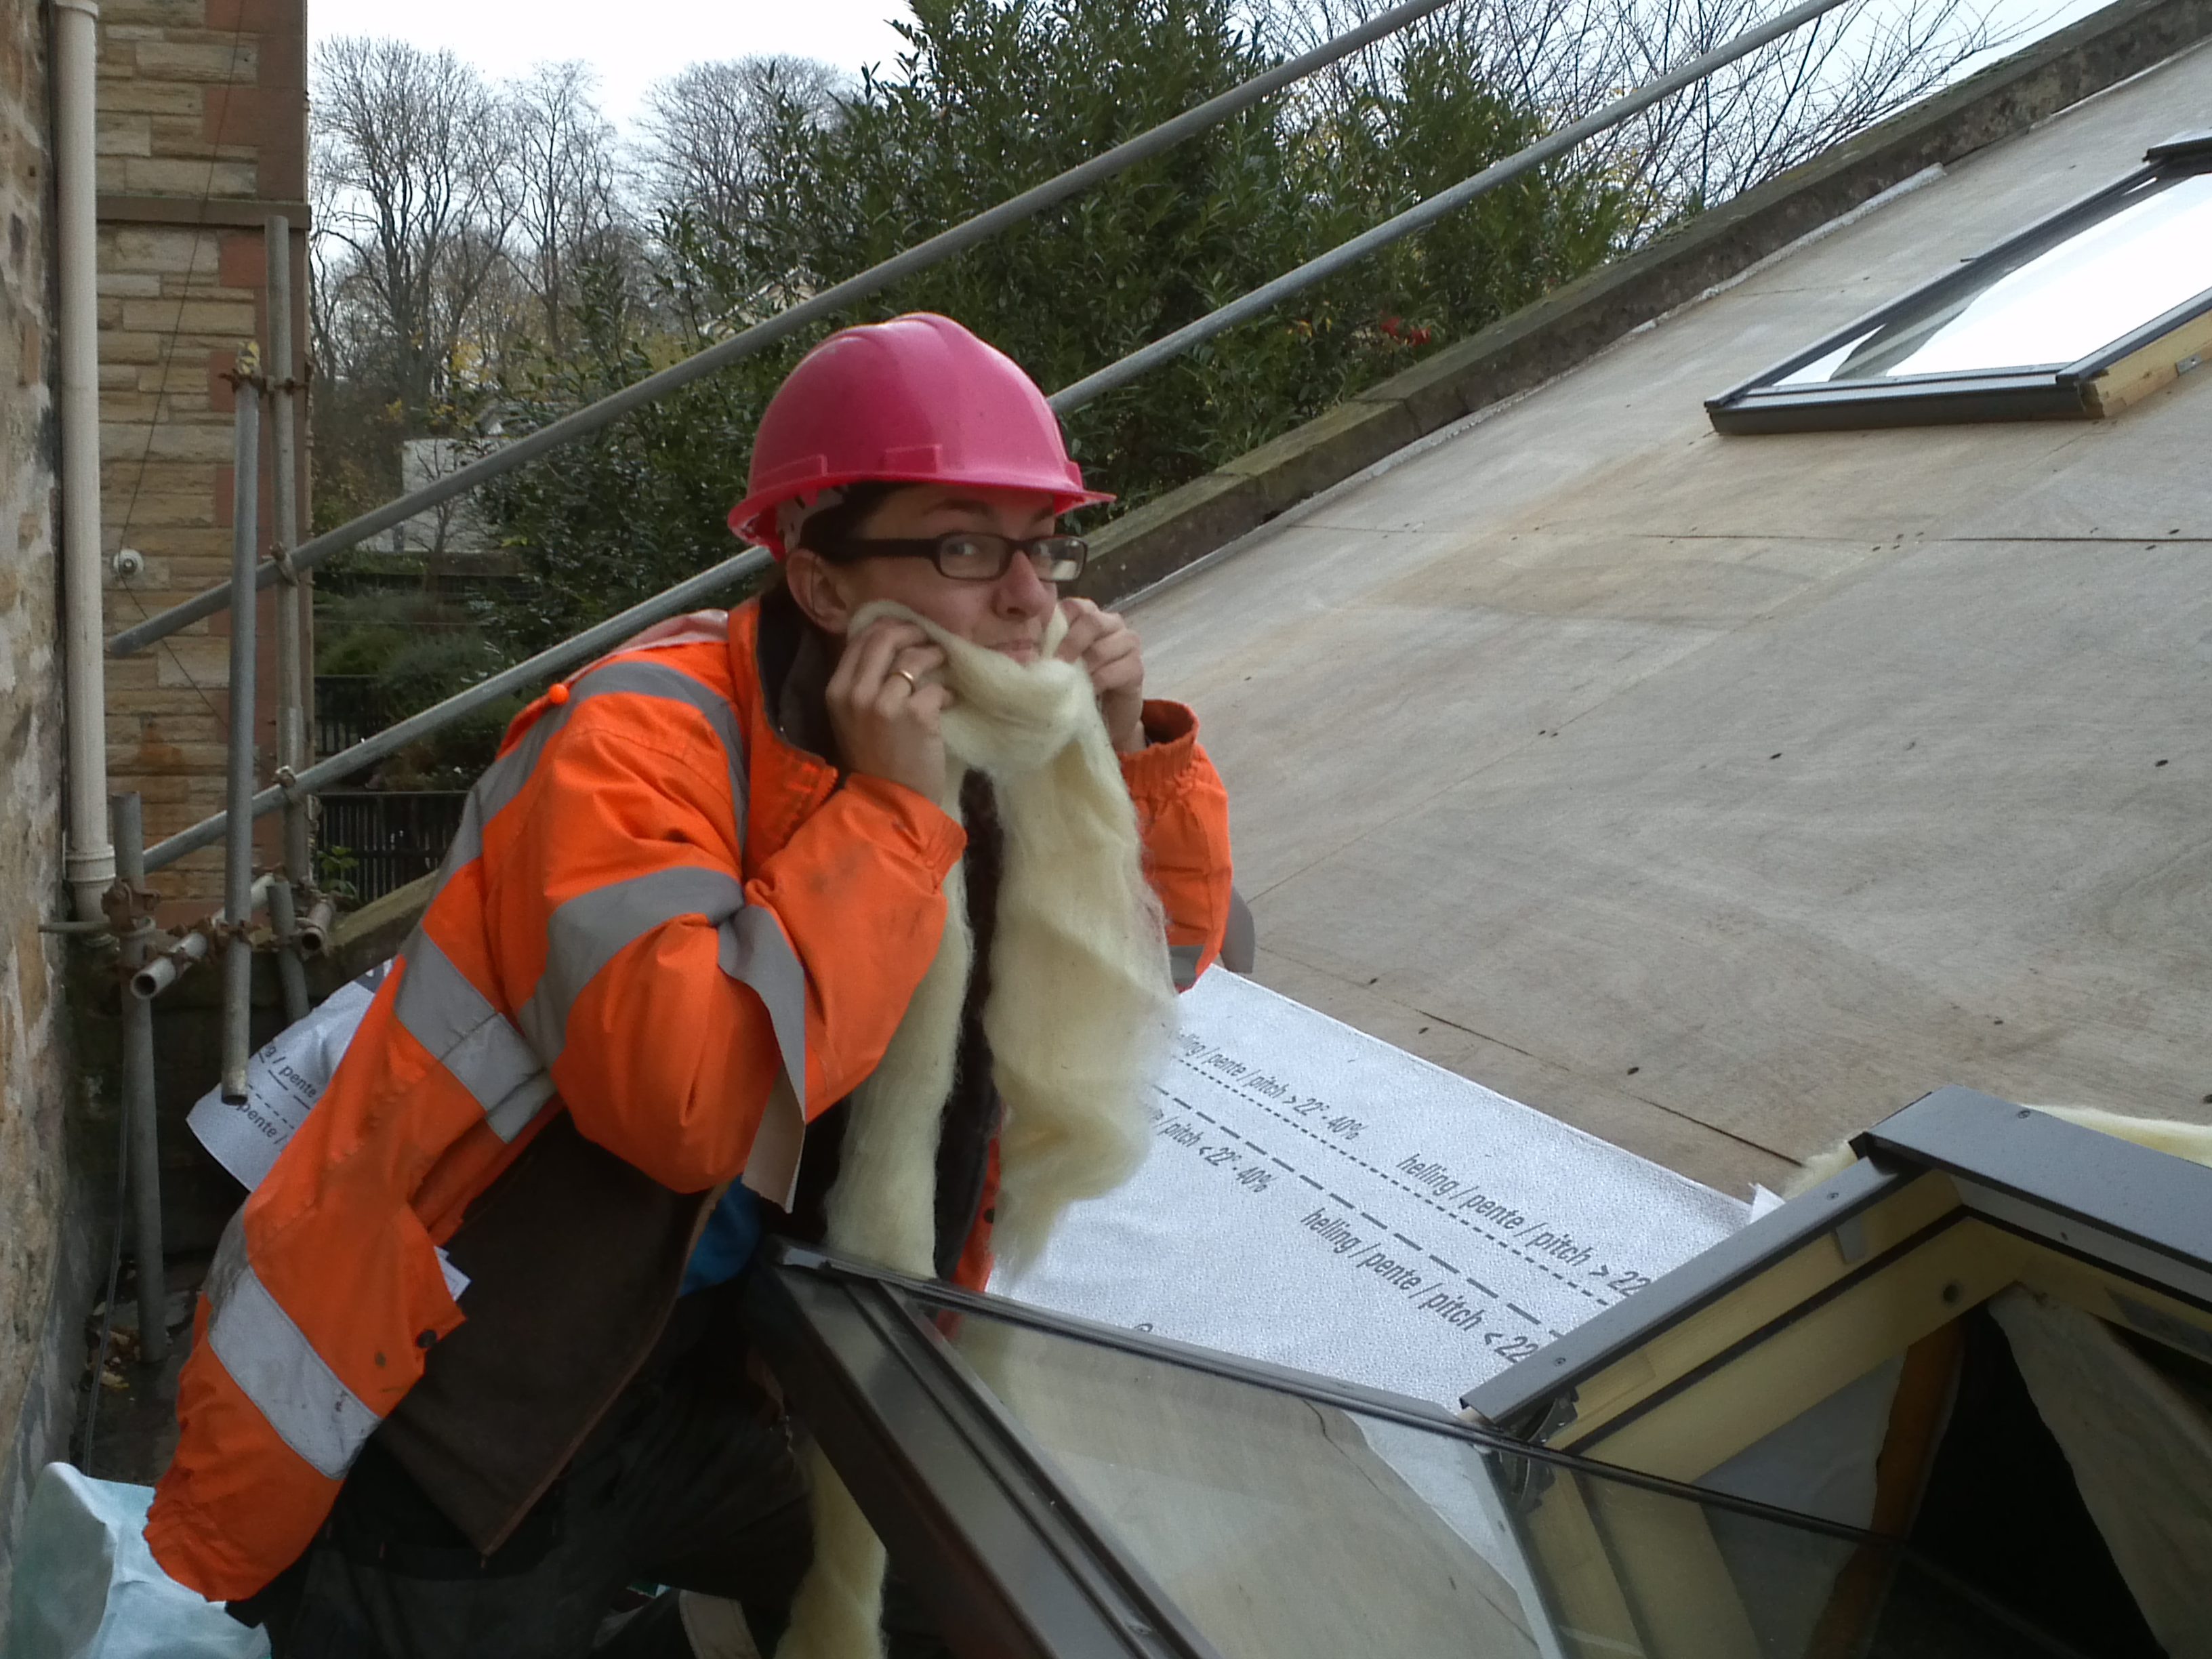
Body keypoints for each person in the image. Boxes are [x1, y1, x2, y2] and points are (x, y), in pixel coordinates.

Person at [145, 312, 1236, 1658]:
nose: (1030, 597)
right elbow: (686, 1107)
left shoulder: (971, 750)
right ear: (821, 583)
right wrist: (892, 820)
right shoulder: (637, 740)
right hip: (468, 1410)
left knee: (943, 1601)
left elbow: (1156, 972)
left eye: (1044, 542)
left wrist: (1121, 760)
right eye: (966, 547)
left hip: (717, 1373)